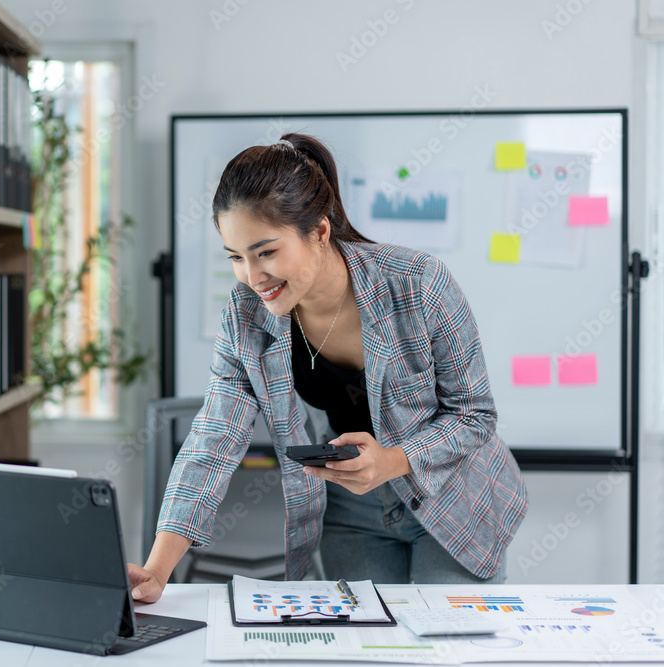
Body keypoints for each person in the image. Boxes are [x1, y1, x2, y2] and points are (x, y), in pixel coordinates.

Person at [127, 133, 528, 602]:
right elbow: (212, 440)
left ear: (318, 233)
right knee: (368, 652)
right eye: (236, 258)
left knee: (446, 650)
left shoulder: (418, 285)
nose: (253, 277)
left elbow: (474, 415)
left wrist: (391, 461)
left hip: (453, 500)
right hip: (348, 511)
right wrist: (158, 568)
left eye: (266, 252)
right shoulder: (246, 317)